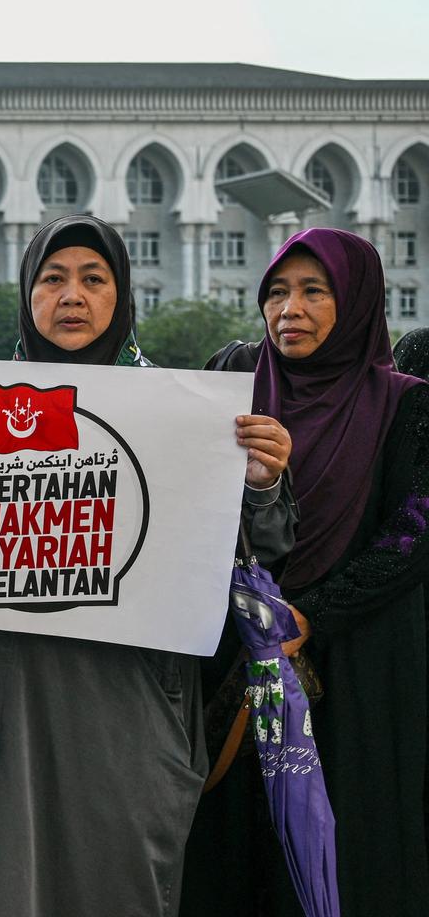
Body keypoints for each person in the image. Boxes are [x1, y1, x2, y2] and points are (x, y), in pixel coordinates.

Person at [0, 214, 295, 917]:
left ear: (122, 297)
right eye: (52, 278)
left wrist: (258, 482)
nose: (71, 296)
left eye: (93, 279)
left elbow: (242, 558)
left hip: (112, 715)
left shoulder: (178, 415)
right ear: (28, 294)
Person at [184, 227, 429, 916]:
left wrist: (309, 615)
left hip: (352, 669)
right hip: (236, 663)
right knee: (231, 852)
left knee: (343, 854)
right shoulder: (232, 381)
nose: (289, 309)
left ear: (355, 302)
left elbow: (411, 534)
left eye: (313, 291)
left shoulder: (406, 404)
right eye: (277, 292)